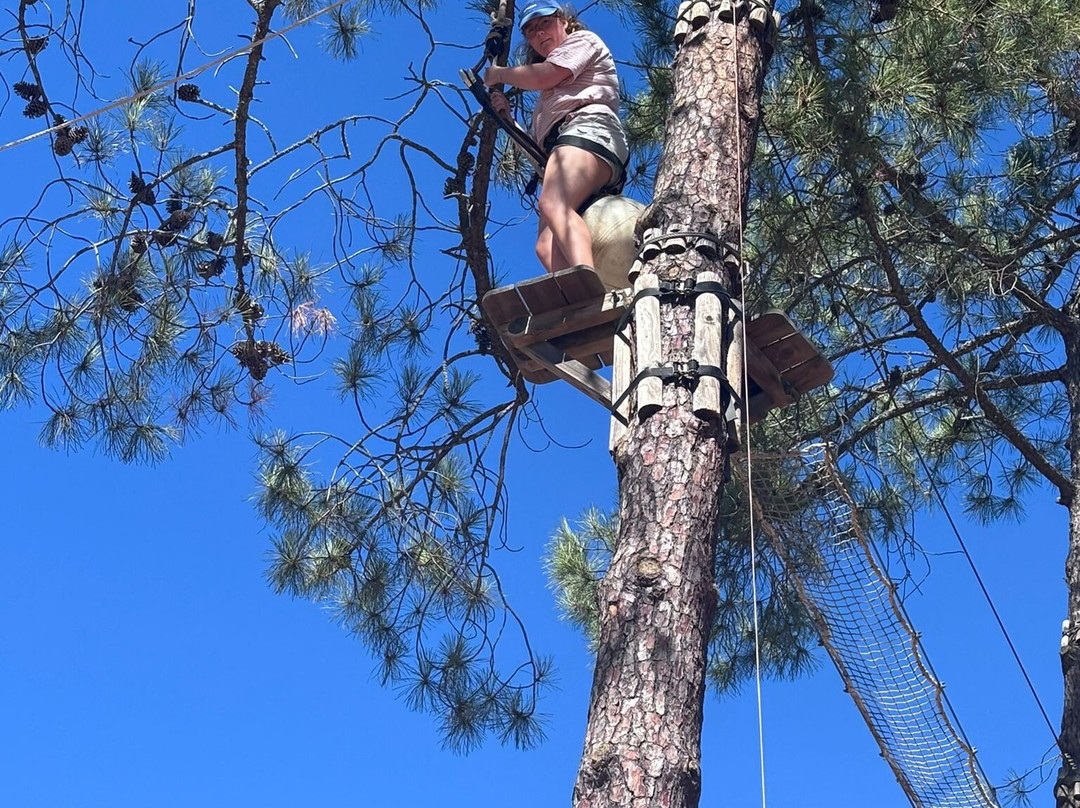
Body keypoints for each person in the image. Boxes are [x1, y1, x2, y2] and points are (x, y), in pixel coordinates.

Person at [483, 2, 628, 275]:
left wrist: (499, 74)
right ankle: (578, 298)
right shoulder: (546, 107)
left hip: (591, 130)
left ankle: (587, 285)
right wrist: (508, 120)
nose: (539, 34)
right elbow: (542, 155)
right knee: (545, 243)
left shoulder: (582, 41)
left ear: (563, 21)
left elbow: (547, 75)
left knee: (553, 202)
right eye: (530, 31)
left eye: (544, 23)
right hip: (571, 145)